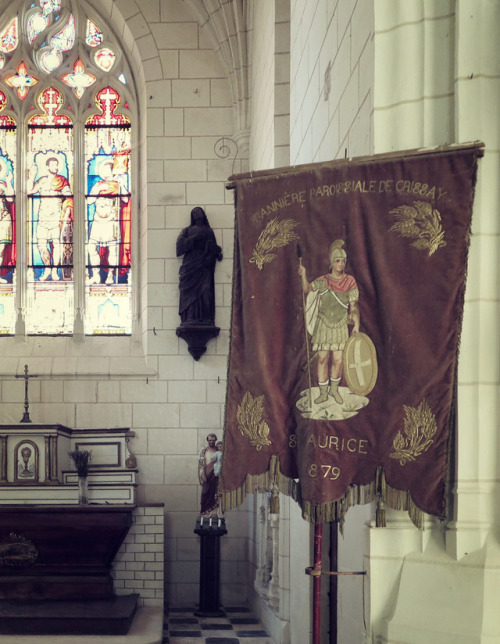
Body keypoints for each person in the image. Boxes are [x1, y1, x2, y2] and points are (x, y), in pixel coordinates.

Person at [298, 239, 360, 405]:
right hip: (323, 324)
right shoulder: (323, 280)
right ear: (332, 262)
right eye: (338, 261)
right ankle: (323, 392)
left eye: (343, 261)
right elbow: (307, 289)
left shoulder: (350, 281)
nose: (341, 264)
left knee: (338, 360)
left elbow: (353, 306)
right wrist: (303, 274)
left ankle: (334, 390)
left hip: (340, 325)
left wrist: (356, 324)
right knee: (322, 359)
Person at [28, 156, 73, 282]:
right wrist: (32, 176)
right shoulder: (41, 181)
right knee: (41, 245)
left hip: (56, 218)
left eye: (57, 165)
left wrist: (67, 213)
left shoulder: (62, 181)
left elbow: (69, 197)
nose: (56, 167)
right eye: (53, 165)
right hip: (43, 218)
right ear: (47, 167)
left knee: (57, 244)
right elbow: (29, 191)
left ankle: (54, 270)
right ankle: (47, 268)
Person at [176, 207, 222, 325]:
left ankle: (206, 318)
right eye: (194, 212)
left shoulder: (208, 231)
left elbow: (213, 248)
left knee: (205, 290)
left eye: (199, 211)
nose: (197, 213)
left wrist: (210, 257)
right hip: (190, 264)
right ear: (192, 216)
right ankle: (190, 318)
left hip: (204, 265)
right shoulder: (186, 231)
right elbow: (179, 248)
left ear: (203, 214)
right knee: (190, 293)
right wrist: (194, 238)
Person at [87, 159, 129, 285]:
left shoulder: (117, 184)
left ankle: (111, 275)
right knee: (91, 246)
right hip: (98, 221)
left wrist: (121, 186)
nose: (104, 172)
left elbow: (126, 200)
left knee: (113, 249)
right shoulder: (98, 185)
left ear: (112, 171)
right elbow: (89, 201)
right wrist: (97, 190)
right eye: (102, 169)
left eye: (106, 169)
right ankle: (96, 275)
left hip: (111, 221)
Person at [198, 433, 219, 515]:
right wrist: (201, 474)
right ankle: (203, 511)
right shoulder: (204, 451)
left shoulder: (218, 451)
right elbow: (200, 464)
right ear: (207, 441)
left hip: (215, 476)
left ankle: (212, 512)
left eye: (213, 440)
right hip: (206, 475)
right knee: (204, 494)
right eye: (210, 440)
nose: (211, 442)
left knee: (214, 494)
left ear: (215, 441)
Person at [0, 164, 14, 284]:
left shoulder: (3, 185)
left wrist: (9, 182)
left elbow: (10, 199)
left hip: (3, 217)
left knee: (1, 248)